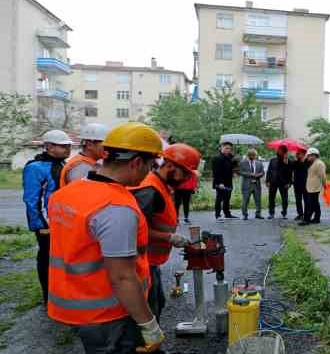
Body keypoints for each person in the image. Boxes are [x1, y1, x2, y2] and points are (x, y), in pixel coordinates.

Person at [47, 122, 165, 353]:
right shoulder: (116, 208)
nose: (148, 174)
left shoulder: (66, 194)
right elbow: (122, 277)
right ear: (137, 162)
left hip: (74, 305)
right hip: (109, 314)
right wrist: (149, 324)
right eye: (150, 166)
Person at [131, 143, 201, 323]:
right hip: (141, 263)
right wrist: (169, 237)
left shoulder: (161, 185)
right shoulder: (149, 190)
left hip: (150, 262)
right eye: (183, 174)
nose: (185, 179)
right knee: (148, 310)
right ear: (169, 166)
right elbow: (133, 230)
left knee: (157, 303)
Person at [22, 129, 72, 304]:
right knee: (46, 259)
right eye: (63, 146)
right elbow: (31, 200)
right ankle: (49, 298)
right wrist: (41, 225)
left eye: (68, 146)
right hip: (46, 225)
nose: (68, 149)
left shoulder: (64, 164)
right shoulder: (35, 168)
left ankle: (61, 294)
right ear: (49, 146)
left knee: (62, 260)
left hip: (64, 223)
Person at [299, 148, 326, 226]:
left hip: (315, 187)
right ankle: (316, 218)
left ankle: (306, 219)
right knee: (315, 203)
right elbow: (303, 164)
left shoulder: (319, 163)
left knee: (310, 204)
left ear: (314, 155)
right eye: (308, 155)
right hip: (310, 186)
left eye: (309, 155)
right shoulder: (312, 162)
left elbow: (322, 176)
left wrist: (325, 185)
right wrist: (305, 158)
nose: (308, 157)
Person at [212, 141, 238, 222]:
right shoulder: (217, 158)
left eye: (230, 149)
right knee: (219, 199)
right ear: (221, 148)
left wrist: (235, 161)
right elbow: (216, 172)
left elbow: (233, 167)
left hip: (228, 181)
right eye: (226, 148)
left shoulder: (231, 157)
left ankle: (227, 213)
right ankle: (218, 215)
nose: (228, 150)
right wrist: (220, 183)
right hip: (220, 182)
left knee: (227, 198)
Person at [265, 145, 293, 219]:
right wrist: (267, 180)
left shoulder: (288, 161)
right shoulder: (273, 160)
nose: (277, 151)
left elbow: (290, 173)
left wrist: (289, 183)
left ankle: (284, 212)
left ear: (284, 151)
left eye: (279, 150)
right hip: (273, 182)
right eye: (277, 150)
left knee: (285, 199)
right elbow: (269, 171)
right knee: (271, 198)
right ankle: (271, 213)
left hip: (283, 183)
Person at [239, 149, 265, 220]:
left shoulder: (259, 163)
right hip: (247, 185)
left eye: (254, 155)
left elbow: (262, 172)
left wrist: (258, 175)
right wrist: (251, 174)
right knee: (245, 200)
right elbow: (240, 172)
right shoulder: (243, 163)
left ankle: (258, 214)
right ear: (248, 155)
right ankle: (245, 215)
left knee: (258, 200)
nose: (253, 157)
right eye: (252, 155)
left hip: (257, 185)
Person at [292, 148, 309, 220]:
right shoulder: (295, 162)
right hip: (297, 184)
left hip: (306, 184)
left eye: (298, 153)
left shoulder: (308, 162)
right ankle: (300, 214)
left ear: (303, 154)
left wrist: (303, 161)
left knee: (306, 200)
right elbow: (289, 167)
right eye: (296, 153)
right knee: (298, 200)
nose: (296, 155)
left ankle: (306, 215)